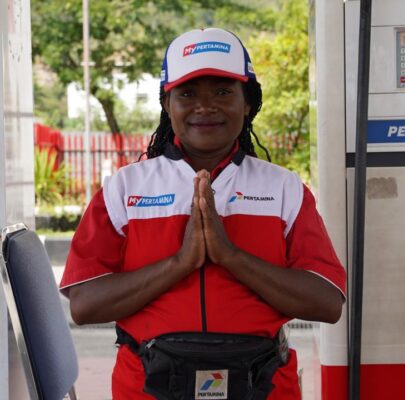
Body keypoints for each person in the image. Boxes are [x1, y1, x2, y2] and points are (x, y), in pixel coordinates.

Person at [60, 27, 346, 400]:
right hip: (146, 390)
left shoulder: (284, 189)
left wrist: (230, 256)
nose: (205, 106)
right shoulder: (124, 189)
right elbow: (84, 305)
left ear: (247, 102)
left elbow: (327, 302)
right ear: (167, 104)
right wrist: (180, 263)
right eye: (188, 93)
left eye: (223, 92)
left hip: (264, 388)